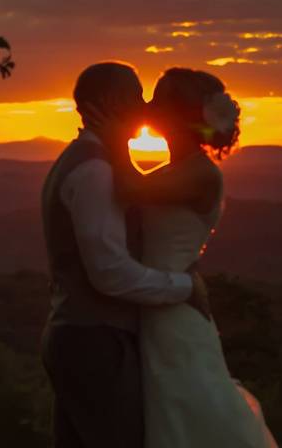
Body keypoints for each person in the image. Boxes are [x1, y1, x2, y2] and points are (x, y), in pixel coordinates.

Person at [86, 67, 278, 448]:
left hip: (174, 315)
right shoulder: (175, 170)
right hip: (158, 302)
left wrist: (113, 134)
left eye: (156, 99)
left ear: (178, 114)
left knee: (183, 417)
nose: (146, 105)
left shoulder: (201, 175)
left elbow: (128, 187)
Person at [39, 61, 210, 448]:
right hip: (95, 342)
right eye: (137, 97)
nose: (146, 106)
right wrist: (184, 287)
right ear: (115, 102)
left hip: (80, 337)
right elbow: (109, 272)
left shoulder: (85, 160)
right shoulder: (94, 172)